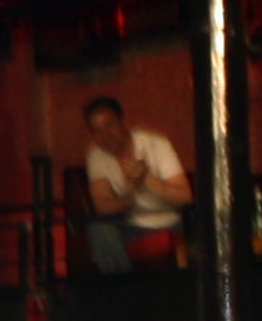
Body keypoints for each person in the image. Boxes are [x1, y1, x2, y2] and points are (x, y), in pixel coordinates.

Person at [77, 96, 186, 272]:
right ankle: (121, 291)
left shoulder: (156, 144)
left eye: (110, 125)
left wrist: (147, 179)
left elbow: (184, 196)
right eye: (97, 131)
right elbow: (102, 207)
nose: (105, 136)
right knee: (99, 230)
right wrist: (131, 192)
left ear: (123, 122)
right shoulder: (96, 154)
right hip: (130, 226)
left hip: (169, 221)